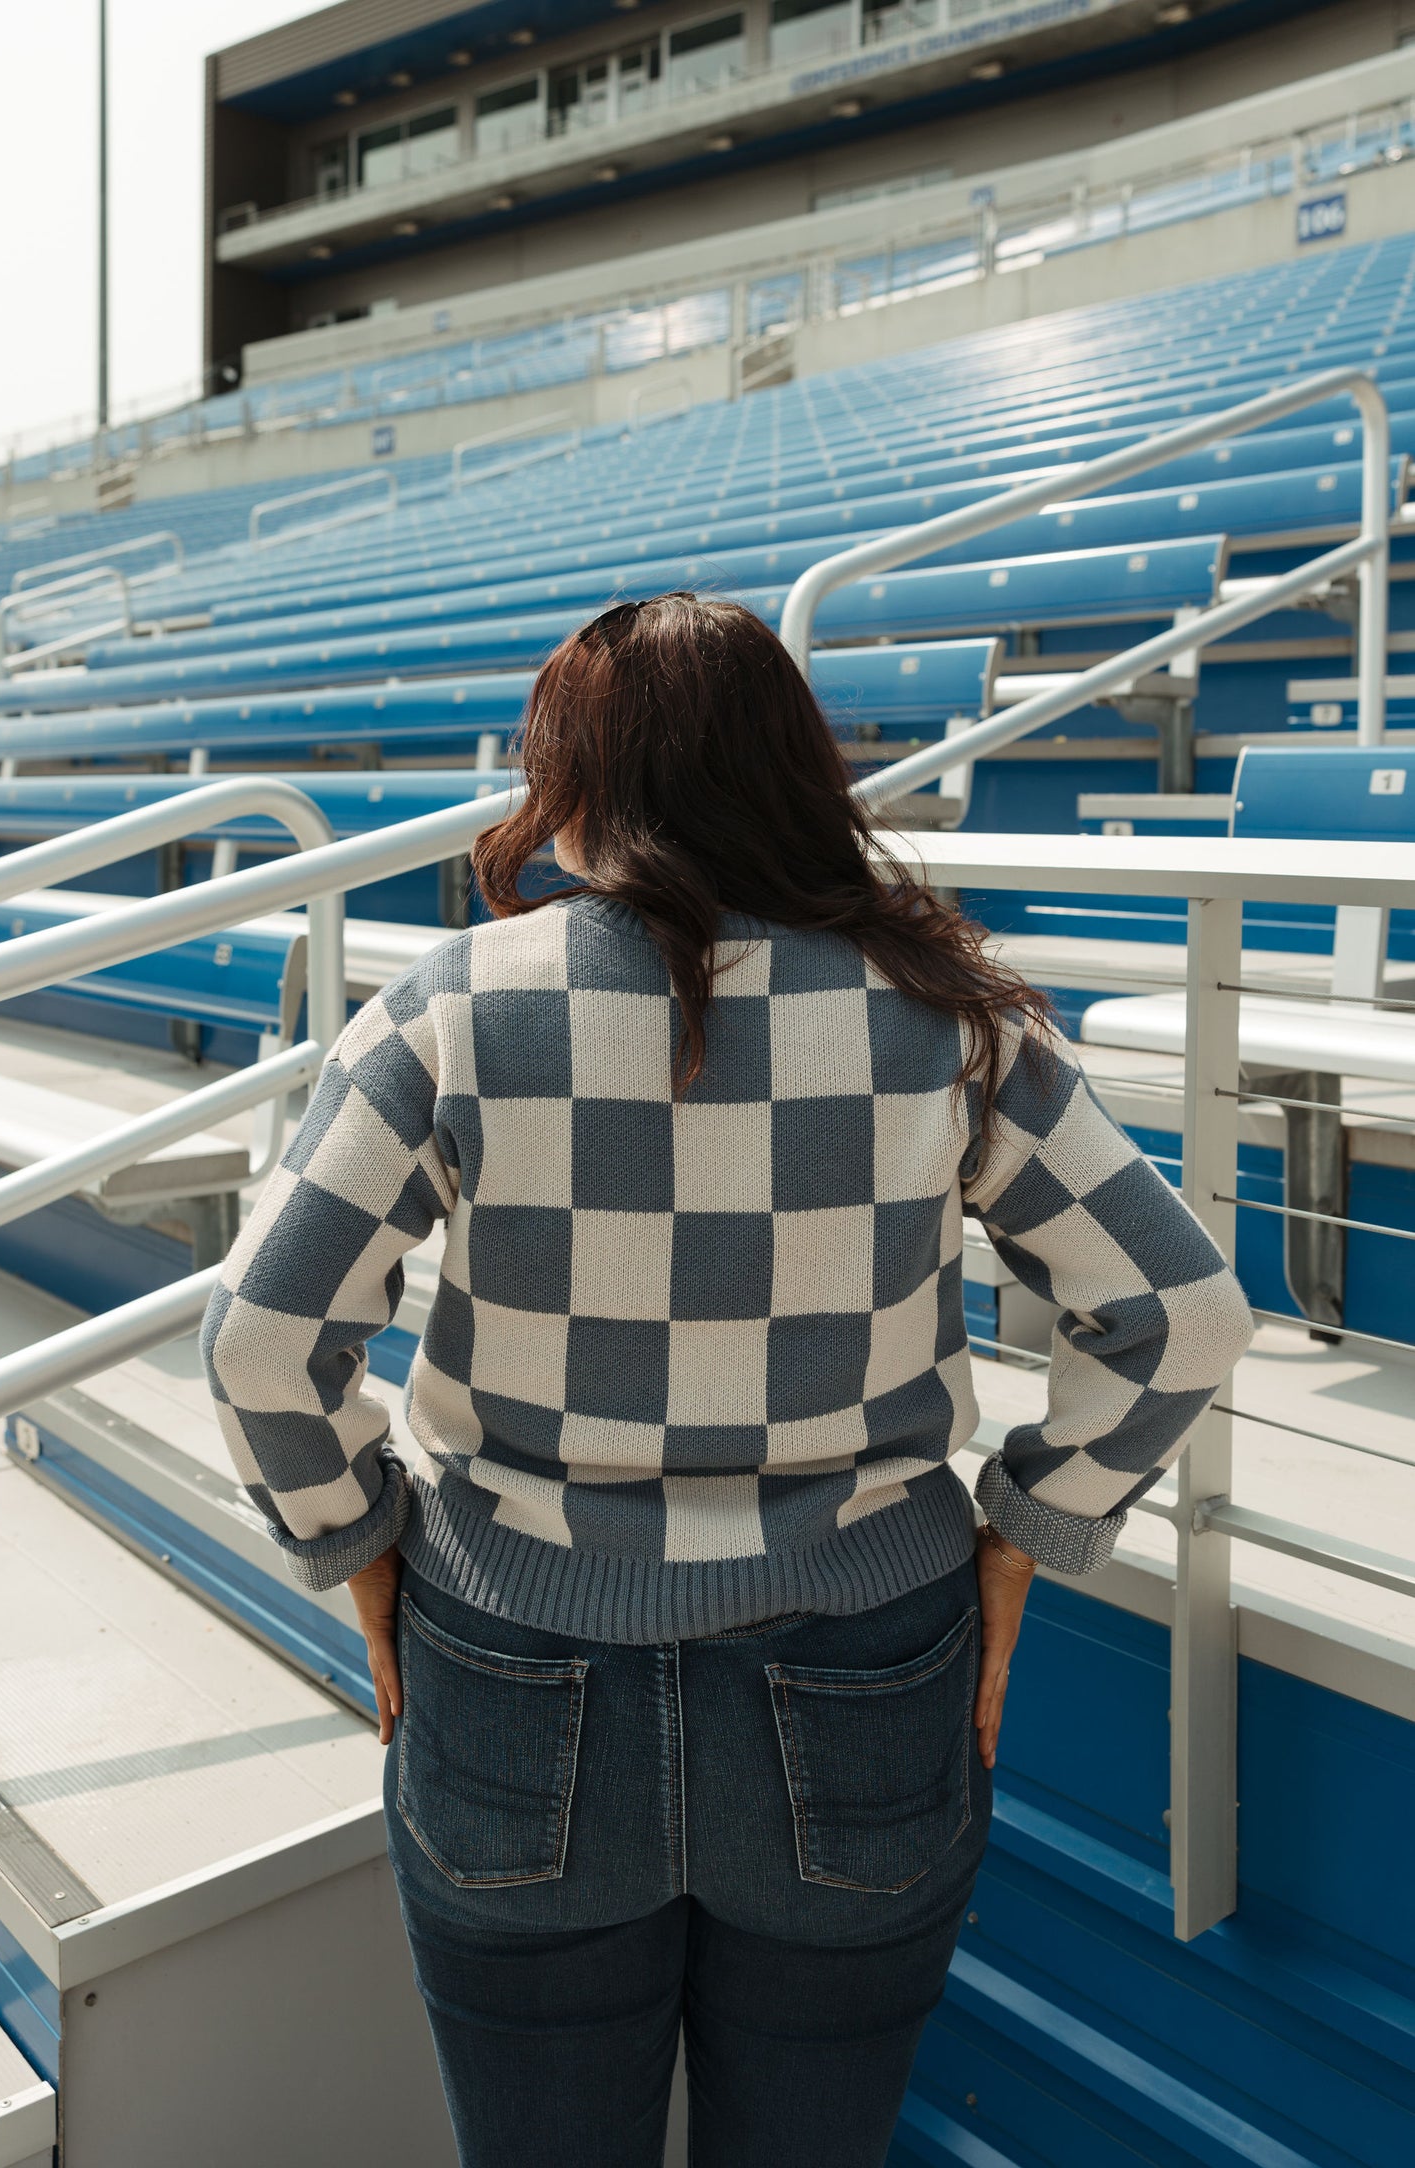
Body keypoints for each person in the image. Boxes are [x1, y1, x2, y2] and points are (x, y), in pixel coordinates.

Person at [201, 592, 1252, 2168]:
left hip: (511, 1670)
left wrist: (357, 1550)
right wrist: (1030, 1531)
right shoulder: (948, 1015)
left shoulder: (449, 1006)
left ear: (576, 778)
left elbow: (262, 1344)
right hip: (867, 1675)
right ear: (790, 766)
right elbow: (1177, 1310)